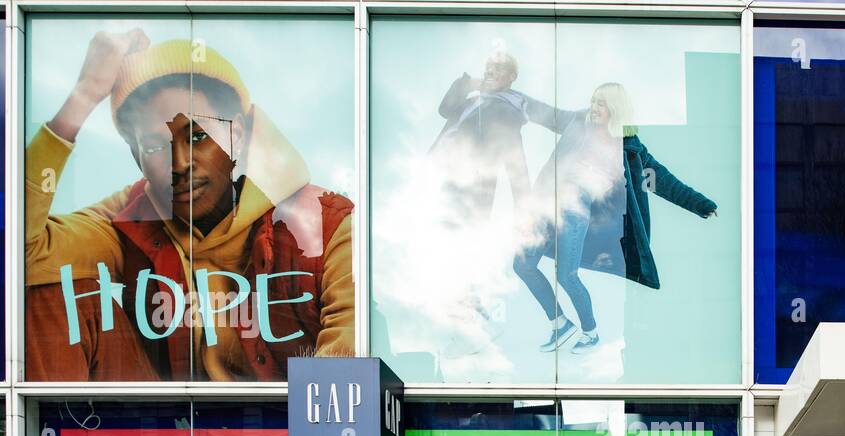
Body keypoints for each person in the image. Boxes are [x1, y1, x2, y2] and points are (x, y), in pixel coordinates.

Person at [25, 30, 353, 381]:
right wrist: (83, 96)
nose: (179, 163)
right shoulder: (132, 216)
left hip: (283, 430)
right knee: (52, 289)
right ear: (138, 160)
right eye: (154, 148)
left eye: (197, 136)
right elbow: (23, 253)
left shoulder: (321, 223)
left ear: (236, 135)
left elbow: (345, 375)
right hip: (165, 430)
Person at [513, 82, 718, 355]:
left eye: (602, 104)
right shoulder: (577, 122)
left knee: (566, 274)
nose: (594, 108)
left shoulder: (630, 149)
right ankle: (561, 324)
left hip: (576, 213)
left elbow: (665, 182)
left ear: (615, 110)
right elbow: (546, 113)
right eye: (593, 101)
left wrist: (700, 204)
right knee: (522, 264)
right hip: (548, 208)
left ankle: (590, 332)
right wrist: (513, 96)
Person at [428, 51, 531, 222]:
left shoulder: (508, 111)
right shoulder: (470, 102)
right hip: (438, 175)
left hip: (468, 187)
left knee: (455, 239)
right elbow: (444, 109)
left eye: (498, 67)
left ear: (512, 76)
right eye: (488, 67)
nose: (489, 71)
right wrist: (467, 85)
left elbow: (516, 162)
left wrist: (524, 209)